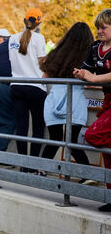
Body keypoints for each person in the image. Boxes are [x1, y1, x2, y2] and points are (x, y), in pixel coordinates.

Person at [39, 22, 93, 176]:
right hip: (75, 101)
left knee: (54, 138)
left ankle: (41, 171)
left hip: (54, 99)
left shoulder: (57, 53)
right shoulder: (89, 56)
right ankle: (87, 175)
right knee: (72, 142)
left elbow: (44, 79)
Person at [73, 8, 111, 212]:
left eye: (103, 27)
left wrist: (95, 78)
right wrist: (81, 73)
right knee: (107, 154)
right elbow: (88, 70)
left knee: (94, 135)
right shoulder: (96, 46)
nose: (99, 31)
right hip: (107, 100)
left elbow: (96, 76)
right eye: (97, 27)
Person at [8, 8, 47, 168]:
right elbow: (42, 63)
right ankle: (33, 164)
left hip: (16, 86)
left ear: (24, 20)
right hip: (35, 86)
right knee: (38, 127)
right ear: (39, 22)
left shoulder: (12, 38)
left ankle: (23, 164)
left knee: (22, 127)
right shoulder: (39, 38)